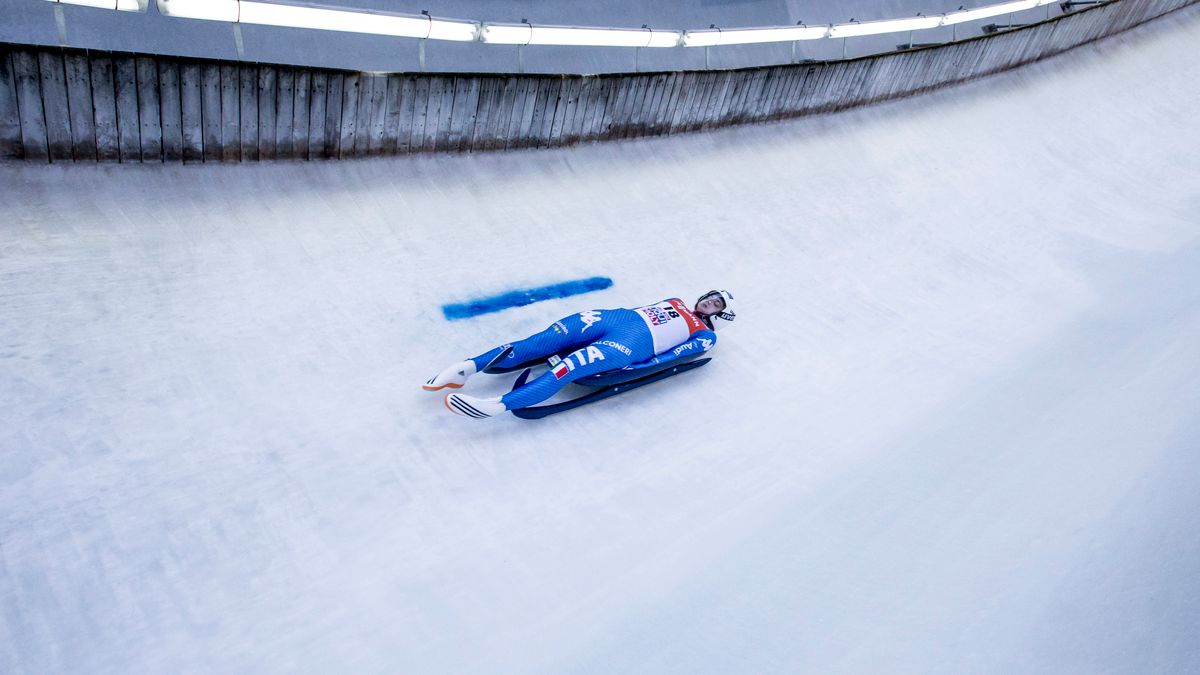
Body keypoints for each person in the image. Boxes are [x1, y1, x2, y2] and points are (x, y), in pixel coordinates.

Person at [424, 290, 736, 418]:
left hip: (631, 345)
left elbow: (671, 358)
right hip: (611, 319)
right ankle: (466, 367)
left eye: (717, 304)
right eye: (711, 297)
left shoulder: (705, 336)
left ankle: (497, 405)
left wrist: (636, 368)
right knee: (541, 341)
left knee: (569, 366)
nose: (710, 302)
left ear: (723, 316)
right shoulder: (677, 300)